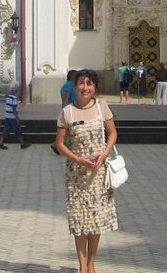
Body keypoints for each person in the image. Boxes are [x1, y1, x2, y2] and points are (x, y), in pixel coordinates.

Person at [55, 69, 118, 273]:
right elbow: (60, 144)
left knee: (96, 220)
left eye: (89, 84)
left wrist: (105, 153)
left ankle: (92, 262)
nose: (85, 88)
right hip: (76, 175)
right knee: (80, 220)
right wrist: (77, 159)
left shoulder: (102, 107)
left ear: (95, 87)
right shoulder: (67, 112)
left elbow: (112, 133)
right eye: (81, 84)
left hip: (98, 173)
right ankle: (82, 265)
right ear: (75, 87)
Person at [0, 83, 30, 150]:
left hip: (7, 116)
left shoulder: (8, 97)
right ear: (16, 90)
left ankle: (0, 143)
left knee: (6, 129)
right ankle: (22, 144)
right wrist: (17, 118)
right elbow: (14, 109)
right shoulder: (14, 98)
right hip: (12, 117)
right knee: (17, 130)